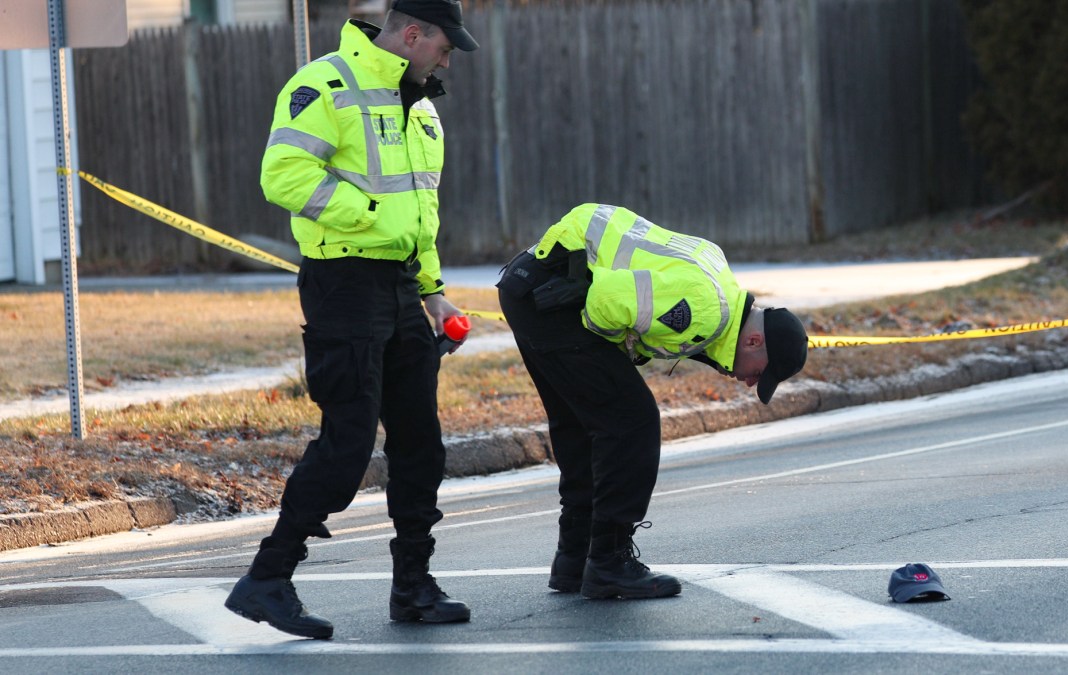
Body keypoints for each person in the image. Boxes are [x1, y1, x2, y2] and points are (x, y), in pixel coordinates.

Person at [224, 0, 478, 640]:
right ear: (413, 34)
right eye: (445, 48)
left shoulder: (420, 107)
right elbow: (282, 175)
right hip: (342, 283)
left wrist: (432, 290)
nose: (448, 61)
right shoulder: (325, 85)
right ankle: (267, 579)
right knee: (348, 444)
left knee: (422, 444)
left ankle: (413, 587)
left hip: (398, 289)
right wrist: (369, 216)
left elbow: (422, 215)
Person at [496, 204, 809, 599]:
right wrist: (619, 348)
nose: (749, 382)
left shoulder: (719, 282)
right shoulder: (707, 311)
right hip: (552, 298)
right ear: (753, 341)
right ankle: (608, 562)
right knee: (633, 421)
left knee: (583, 424)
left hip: (529, 286)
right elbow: (605, 302)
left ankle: (575, 559)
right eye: (759, 373)